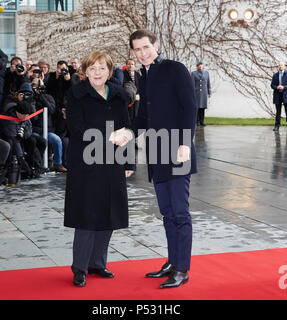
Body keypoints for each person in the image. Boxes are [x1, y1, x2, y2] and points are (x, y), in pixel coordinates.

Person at [120, 29, 197, 289]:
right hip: (156, 153)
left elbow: (190, 107)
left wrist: (186, 143)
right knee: (166, 213)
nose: (141, 53)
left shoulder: (175, 69)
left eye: (145, 47)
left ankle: (182, 269)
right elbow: (144, 117)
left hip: (176, 150)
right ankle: (173, 261)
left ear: (156, 45)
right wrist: (129, 131)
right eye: (136, 50)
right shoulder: (145, 75)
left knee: (179, 212)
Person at [64, 50, 134, 287]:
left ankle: (98, 263)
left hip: (113, 161)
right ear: (85, 71)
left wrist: (129, 161)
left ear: (109, 71)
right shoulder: (76, 94)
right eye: (92, 68)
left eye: (102, 68)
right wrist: (108, 136)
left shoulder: (118, 95)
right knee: (86, 214)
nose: (97, 72)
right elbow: (76, 128)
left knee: (109, 211)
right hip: (85, 161)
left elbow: (126, 128)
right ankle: (80, 268)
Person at [271, 61, 287, 132]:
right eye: (279, 65)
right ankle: (277, 126)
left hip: (286, 95)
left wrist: (284, 87)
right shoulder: (275, 75)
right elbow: (272, 85)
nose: (280, 66)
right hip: (277, 95)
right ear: (278, 67)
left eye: (282, 65)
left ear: (284, 66)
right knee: (278, 112)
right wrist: (277, 87)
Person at [191, 61, 210, 126]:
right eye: (199, 65)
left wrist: (209, 91)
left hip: (204, 93)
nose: (200, 66)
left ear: (203, 66)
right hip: (197, 93)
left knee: (202, 108)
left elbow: (208, 83)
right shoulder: (194, 73)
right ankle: (197, 121)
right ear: (197, 66)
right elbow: (192, 84)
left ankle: (202, 121)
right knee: (197, 107)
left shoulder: (206, 73)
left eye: (201, 65)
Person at [123, 58, 141, 124]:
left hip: (137, 98)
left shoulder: (137, 74)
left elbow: (140, 86)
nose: (130, 66)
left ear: (134, 65)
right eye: (129, 64)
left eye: (132, 64)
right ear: (126, 65)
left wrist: (138, 94)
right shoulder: (123, 74)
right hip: (128, 99)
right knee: (129, 117)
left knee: (136, 116)